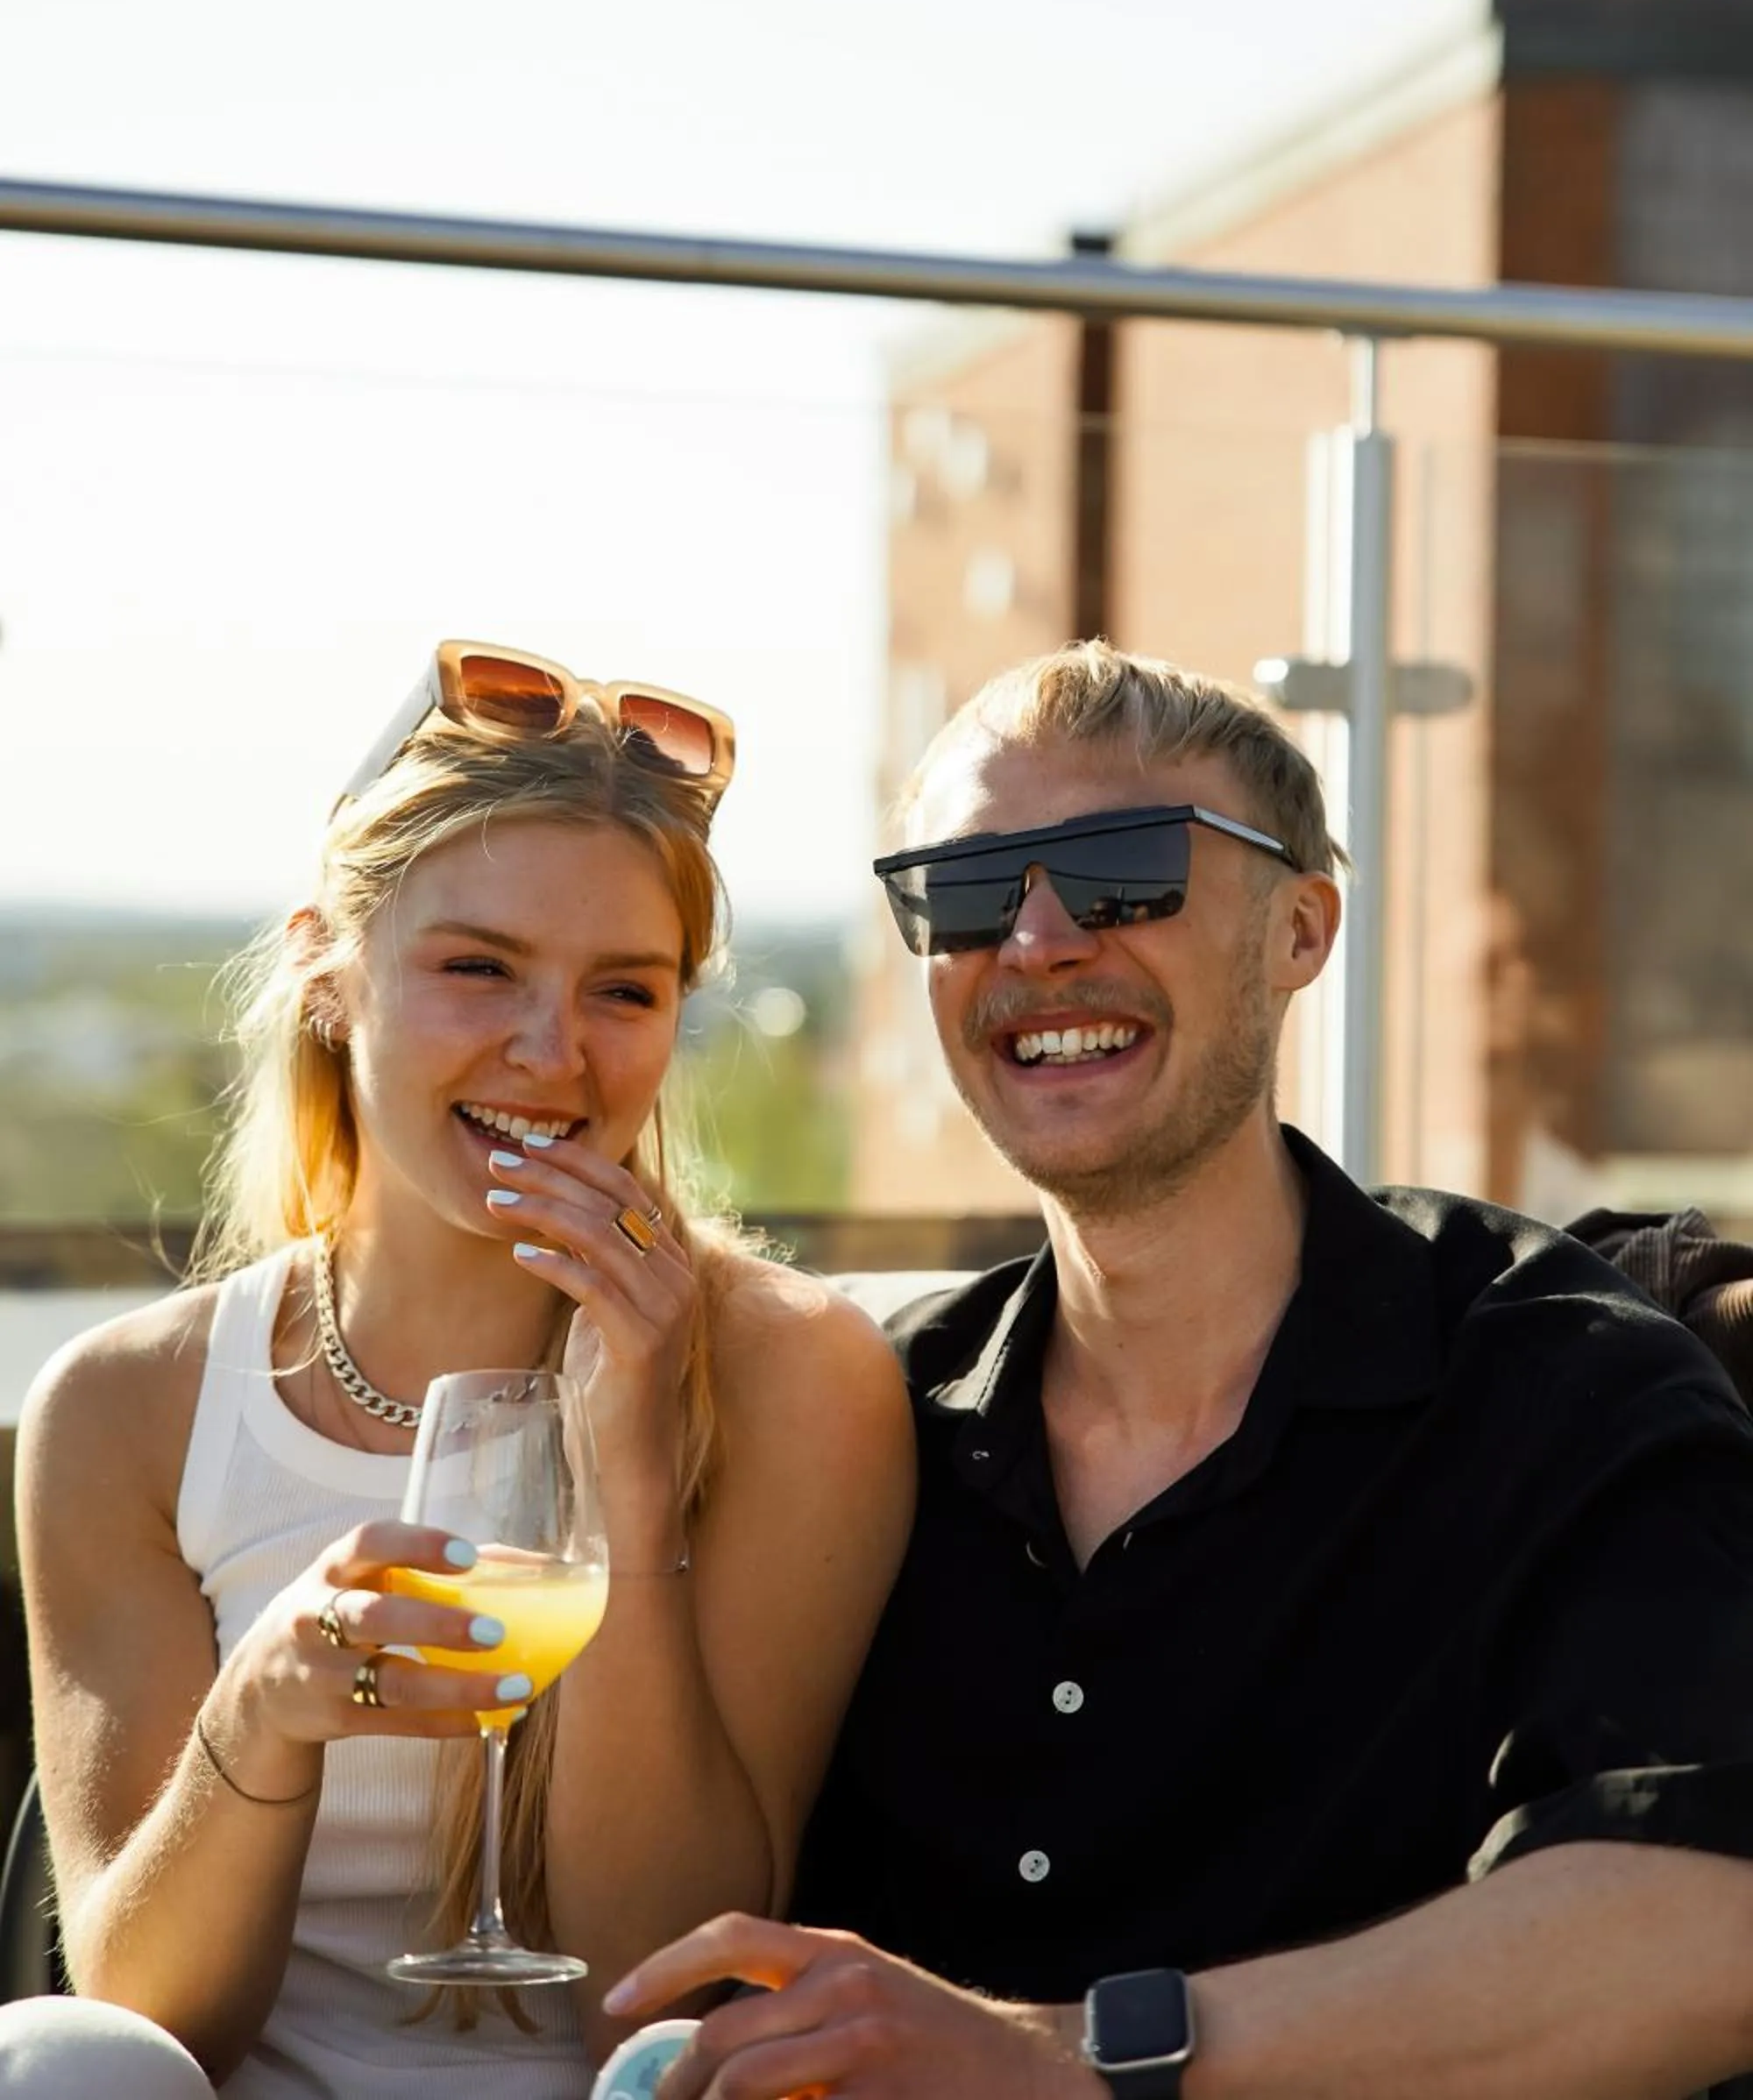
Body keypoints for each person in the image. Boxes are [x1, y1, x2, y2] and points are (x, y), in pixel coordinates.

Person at [605, 641, 1753, 2100]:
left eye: (1123, 868)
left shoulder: (1559, 1387)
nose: (1036, 941)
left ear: (1300, 929)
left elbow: (1706, 1932)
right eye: (967, 894)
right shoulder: (856, 1423)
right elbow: (658, 1966)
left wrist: (1078, 2062)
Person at [7, 642, 914, 2096]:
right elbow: (147, 2025)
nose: (549, 1054)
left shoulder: (796, 1374)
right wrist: (266, 1713)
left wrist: (627, 1472)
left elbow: (662, 1988)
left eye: (624, 991)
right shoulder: (125, 1407)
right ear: (330, 969)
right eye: (477, 968)